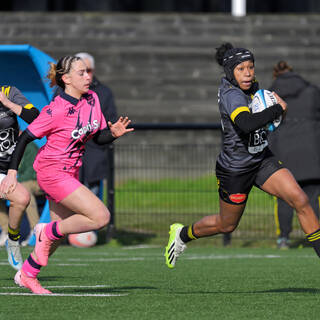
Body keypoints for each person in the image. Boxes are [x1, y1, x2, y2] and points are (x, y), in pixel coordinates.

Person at [164, 43, 320, 269]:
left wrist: (277, 117)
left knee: (301, 200)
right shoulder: (231, 95)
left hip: (261, 160)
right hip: (235, 169)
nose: (248, 73)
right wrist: (277, 110)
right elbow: (246, 124)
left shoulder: (252, 87)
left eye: (251, 67)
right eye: (241, 69)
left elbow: (267, 125)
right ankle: (182, 234)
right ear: (230, 72)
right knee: (226, 225)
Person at [0, 55, 133, 294]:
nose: (87, 76)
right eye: (81, 73)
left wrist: (113, 134)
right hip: (51, 172)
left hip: (69, 172)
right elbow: (25, 138)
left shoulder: (92, 99)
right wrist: (11, 173)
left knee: (58, 235)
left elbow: (98, 138)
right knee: (101, 217)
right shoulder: (56, 109)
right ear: (66, 79)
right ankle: (45, 231)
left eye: (88, 72)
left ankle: (27, 275)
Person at [268, 61, 320, 249]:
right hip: (312, 152)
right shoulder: (312, 91)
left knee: (284, 198)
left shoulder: (269, 95)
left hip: (283, 152)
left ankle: (283, 238)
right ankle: (315, 237)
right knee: (312, 197)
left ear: (276, 75)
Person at [0, 86, 39, 270]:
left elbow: (35, 117)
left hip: (5, 169)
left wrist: (7, 103)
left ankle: (12, 240)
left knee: (22, 197)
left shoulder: (9, 92)